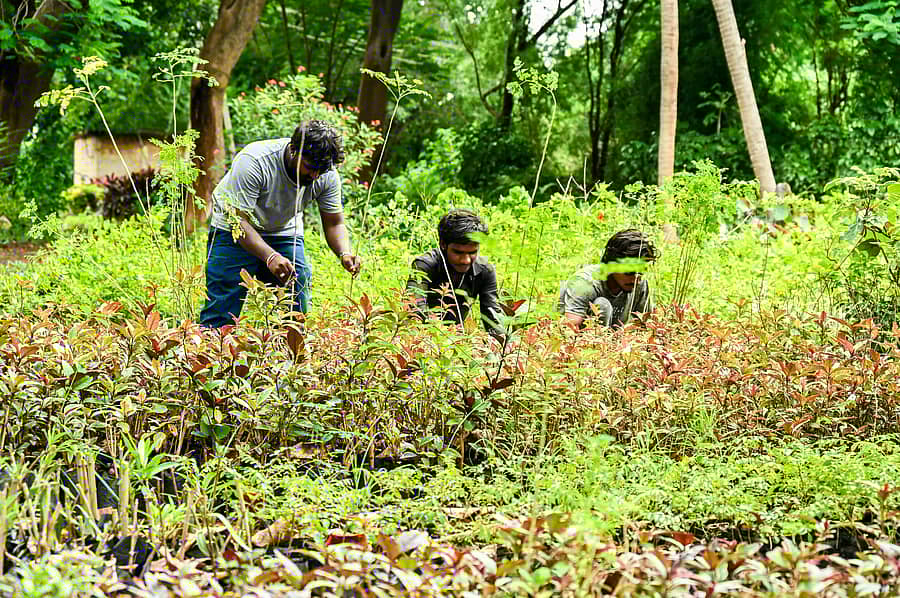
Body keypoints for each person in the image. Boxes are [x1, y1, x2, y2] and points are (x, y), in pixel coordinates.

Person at [199, 120, 361, 327]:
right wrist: (270, 256)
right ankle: (213, 344)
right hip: (233, 229)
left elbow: (334, 223)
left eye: (321, 170)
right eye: (310, 167)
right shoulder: (255, 161)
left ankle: (288, 346)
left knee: (295, 299)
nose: (315, 175)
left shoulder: (326, 174)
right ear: (293, 150)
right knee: (222, 307)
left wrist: (344, 252)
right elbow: (238, 222)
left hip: (283, 231)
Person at [406, 209, 502, 336]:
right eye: (458, 252)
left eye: (472, 252)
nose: (465, 260)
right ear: (443, 244)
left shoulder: (485, 271)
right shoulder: (425, 265)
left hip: (458, 338)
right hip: (423, 337)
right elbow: (415, 308)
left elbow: (493, 319)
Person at [558, 229, 657, 329]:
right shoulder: (585, 283)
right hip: (583, 336)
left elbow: (646, 325)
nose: (636, 279)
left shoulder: (640, 284)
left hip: (615, 336)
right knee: (602, 305)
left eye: (640, 272)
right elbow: (570, 329)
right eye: (629, 272)